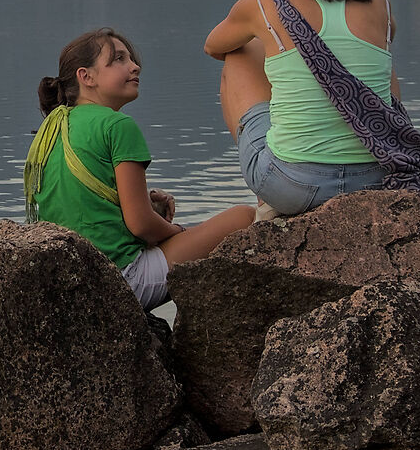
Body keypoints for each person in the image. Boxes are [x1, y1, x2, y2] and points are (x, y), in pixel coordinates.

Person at [26, 27, 258, 310]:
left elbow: (78, 205)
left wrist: (147, 204)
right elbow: (140, 225)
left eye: (131, 59)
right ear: (86, 77)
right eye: (118, 59)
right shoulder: (117, 126)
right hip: (119, 281)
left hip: (67, 285)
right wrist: (178, 232)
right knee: (244, 217)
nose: (135, 66)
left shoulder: (52, 128)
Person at [203, 0, 396, 217]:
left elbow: (213, 46)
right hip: (375, 180)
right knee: (383, 57)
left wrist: (272, 45)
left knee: (240, 52)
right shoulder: (380, 4)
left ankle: (267, 200)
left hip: (293, 186)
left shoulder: (263, 4)